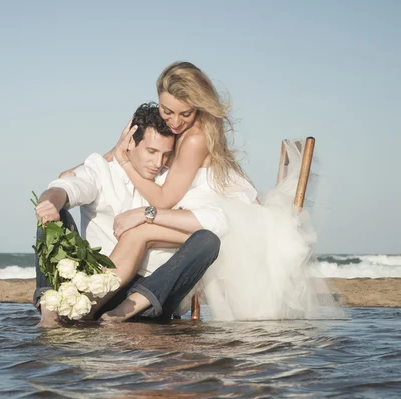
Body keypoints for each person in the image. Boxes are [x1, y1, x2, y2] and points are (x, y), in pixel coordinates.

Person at [62, 61, 340, 321]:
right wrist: (85, 167)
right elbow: (124, 154)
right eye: (166, 110)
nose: (175, 121)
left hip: (226, 222)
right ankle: (94, 304)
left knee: (139, 231)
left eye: (185, 113)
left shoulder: (195, 137)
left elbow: (163, 199)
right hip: (204, 215)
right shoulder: (178, 131)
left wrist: (126, 166)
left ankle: (94, 308)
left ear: (199, 107)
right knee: (139, 233)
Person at [33, 103, 222, 327]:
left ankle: (122, 312)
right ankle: (51, 314)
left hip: (148, 296)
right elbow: (65, 186)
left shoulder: (170, 182)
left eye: (166, 155)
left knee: (208, 241)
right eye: (151, 152)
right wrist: (50, 203)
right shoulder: (103, 171)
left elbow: (216, 220)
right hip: (94, 288)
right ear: (130, 142)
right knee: (55, 218)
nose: (158, 163)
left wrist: (148, 226)